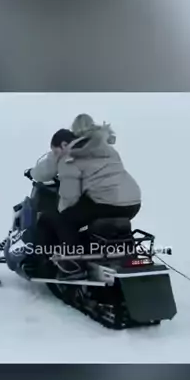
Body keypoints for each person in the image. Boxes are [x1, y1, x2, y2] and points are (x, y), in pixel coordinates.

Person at [26, 117, 141, 275]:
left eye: (55, 152)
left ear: (64, 145)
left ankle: (72, 264)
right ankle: (125, 253)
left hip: (106, 201)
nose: (56, 156)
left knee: (63, 220)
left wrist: (62, 214)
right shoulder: (106, 148)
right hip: (132, 202)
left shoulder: (70, 157)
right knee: (88, 214)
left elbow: (70, 196)